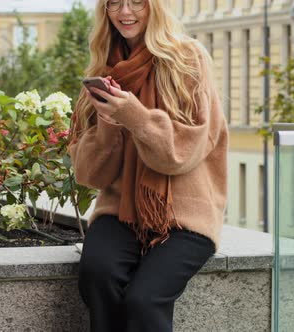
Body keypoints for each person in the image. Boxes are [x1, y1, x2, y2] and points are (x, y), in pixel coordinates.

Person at [67, 0, 229, 331]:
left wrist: (134, 116)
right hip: (121, 211)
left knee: (145, 298)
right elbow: (89, 175)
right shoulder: (104, 71)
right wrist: (110, 122)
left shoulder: (187, 59)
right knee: (98, 275)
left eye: (137, 2)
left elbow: (183, 153)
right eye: (115, 3)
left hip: (185, 214)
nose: (125, 12)